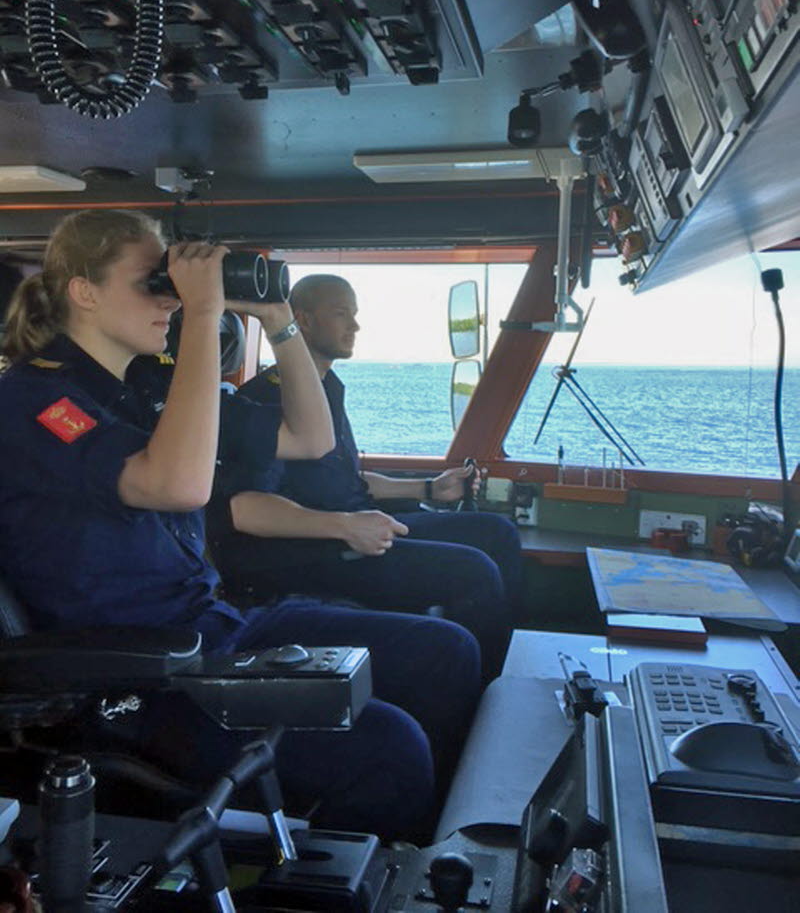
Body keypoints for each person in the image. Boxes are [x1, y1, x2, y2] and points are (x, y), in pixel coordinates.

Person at [0, 211, 481, 841]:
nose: (169, 299)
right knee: (390, 748)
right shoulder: (34, 401)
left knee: (444, 654)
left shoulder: (146, 386)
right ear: (83, 292)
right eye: (154, 282)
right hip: (133, 671)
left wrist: (278, 319)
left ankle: (429, 855)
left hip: (212, 624)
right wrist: (202, 315)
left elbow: (309, 438)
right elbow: (177, 485)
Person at [212, 273, 523, 680]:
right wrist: (343, 525)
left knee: (496, 532)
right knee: (474, 571)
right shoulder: (266, 400)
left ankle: (506, 681)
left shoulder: (327, 388)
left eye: (355, 315)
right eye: (342, 314)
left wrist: (428, 487)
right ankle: (487, 702)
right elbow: (242, 507)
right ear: (301, 320)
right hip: (306, 552)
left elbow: (348, 481)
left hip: (352, 525)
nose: (355, 326)